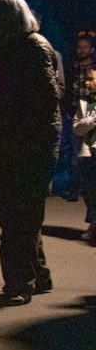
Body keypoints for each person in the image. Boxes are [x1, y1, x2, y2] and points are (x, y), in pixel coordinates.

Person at [0, 0, 62, 305]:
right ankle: (38, 274)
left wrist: (15, 126)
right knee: (22, 217)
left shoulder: (32, 46)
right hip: (17, 142)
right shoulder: (13, 47)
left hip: (29, 145)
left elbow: (47, 97)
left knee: (17, 217)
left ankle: (18, 283)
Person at [63, 31, 94, 201]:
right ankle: (74, 187)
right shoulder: (72, 67)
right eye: (80, 47)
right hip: (75, 113)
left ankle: (87, 186)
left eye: (85, 47)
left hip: (92, 111)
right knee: (75, 153)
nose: (82, 50)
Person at [71, 67, 96, 237]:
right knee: (90, 191)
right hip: (88, 153)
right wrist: (91, 121)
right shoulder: (84, 103)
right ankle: (93, 224)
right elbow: (77, 129)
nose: (87, 83)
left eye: (91, 79)